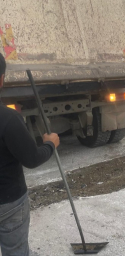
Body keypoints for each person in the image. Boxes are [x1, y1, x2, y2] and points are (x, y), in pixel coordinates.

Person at [0, 53, 60, 256]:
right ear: (1, 78)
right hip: (8, 202)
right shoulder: (8, 119)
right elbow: (32, 159)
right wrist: (50, 144)